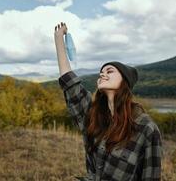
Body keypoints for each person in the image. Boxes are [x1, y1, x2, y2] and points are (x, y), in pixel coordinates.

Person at [54, 22, 163, 181]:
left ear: (124, 81)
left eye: (109, 71)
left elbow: (151, 177)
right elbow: (69, 83)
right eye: (101, 73)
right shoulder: (94, 116)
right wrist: (58, 39)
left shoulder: (146, 128)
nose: (102, 75)